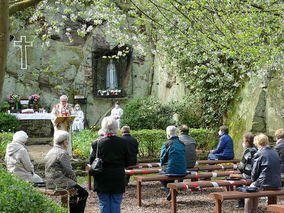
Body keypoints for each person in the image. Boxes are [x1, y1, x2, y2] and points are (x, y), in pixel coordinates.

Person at [90, 116, 130, 213]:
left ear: (103, 128)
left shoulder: (97, 143)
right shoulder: (123, 142)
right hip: (117, 176)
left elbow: (92, 161)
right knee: (116, 203)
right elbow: (128, 161)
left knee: (104, 203)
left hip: (102, 177)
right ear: (116, 127)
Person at [45, 130, 88, 213]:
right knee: (84, 193)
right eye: (67, 140)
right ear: (64, 141)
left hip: (50, 181)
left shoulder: (51, 151)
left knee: (74, 193)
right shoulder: (62, 153)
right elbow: (68, 170)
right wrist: (75, 181)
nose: (67, 142)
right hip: (59, 181)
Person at [244, 134, 281, 213]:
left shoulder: (259, 154)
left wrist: (253, 180)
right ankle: (254, 210)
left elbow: (254, 172)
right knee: (255, 187)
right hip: (277, 183)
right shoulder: (275, 152)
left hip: (265, 183)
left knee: (249, 193)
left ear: (257, 143)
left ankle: (249, 211)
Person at [160, 126, 187, 201]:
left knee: (161, 174)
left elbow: (162, 159)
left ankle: (169, 190)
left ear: (168, 135)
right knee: (170, 169)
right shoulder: (182, 144)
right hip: (182, 170)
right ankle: (172, 190)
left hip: (170, 170)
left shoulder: (166, 144)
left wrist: (162, 166)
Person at [236, 132, 258, 208]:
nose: (243, 142)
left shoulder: (248, 151)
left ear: (247, 142)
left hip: (247, 174)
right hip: (255, 174)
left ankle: (241, 203)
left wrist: (239, 171)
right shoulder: (256, 149)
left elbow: (242, 165)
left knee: (237, 182)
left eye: (244, 141)